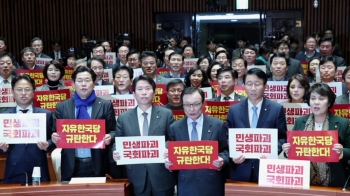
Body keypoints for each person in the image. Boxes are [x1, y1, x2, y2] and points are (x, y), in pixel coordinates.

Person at [113, 75, 175, 196]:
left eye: (148, 88)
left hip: (161, 174)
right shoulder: (124, 118)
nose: (144, 92)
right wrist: (116, 152)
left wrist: (166, 148)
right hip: (136, 175)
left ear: (154, 92)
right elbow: (117, 143)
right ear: (134, 93)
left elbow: (173, 139)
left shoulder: (166, 114)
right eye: (140, 89)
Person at [51, 66, 116, 181]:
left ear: (94, 82)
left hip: (98, 163)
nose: (83, 84)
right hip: (72, 164)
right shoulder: (62, 107)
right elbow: (54, 132)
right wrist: (54, 137)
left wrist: (110, 137)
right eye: (79, 81)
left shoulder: (105, 105)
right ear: (74, 83)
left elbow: (114, 131)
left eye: (87, 80)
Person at [281, 83, 350, 187]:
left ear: (329, 102)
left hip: (334, 181)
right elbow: (293, 150)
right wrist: (287, 151)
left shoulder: (343, 123)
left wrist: (342, 152)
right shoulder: (300, 122)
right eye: (313, 98)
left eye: (321, 99)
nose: (316, 102)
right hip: (303, 181)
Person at [226, 68, 287, 182]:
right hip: (240, 167)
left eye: (257, 84)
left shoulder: (276, 109)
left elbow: (282, 137)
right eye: (249, 84)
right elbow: (227, 136)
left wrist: (272, 153)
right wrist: (232, 154)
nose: (253, 88)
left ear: (265, 86)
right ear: (244, 86)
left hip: (266, 168)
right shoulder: (234, 110)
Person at [165, 87, 228, 196]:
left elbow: (226, 150)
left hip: (212, 183)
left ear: (203, 104)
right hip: (186, 184)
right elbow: (171, 155)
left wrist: (222, 160)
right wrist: (168, 163)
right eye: (187, 104)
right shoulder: (174, 128)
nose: (191, 109)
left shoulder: (217, 125)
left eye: (195, 104)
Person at [0, 74, 53, 184]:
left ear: (33, 91)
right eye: (19, 89)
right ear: (13, 92)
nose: (23, 93)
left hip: (39, 167)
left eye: (27, 89)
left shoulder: (46, 114)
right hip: (14, 169)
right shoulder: (4, 116)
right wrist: (2, 148)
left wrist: (48, 144)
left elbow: (54, 139)